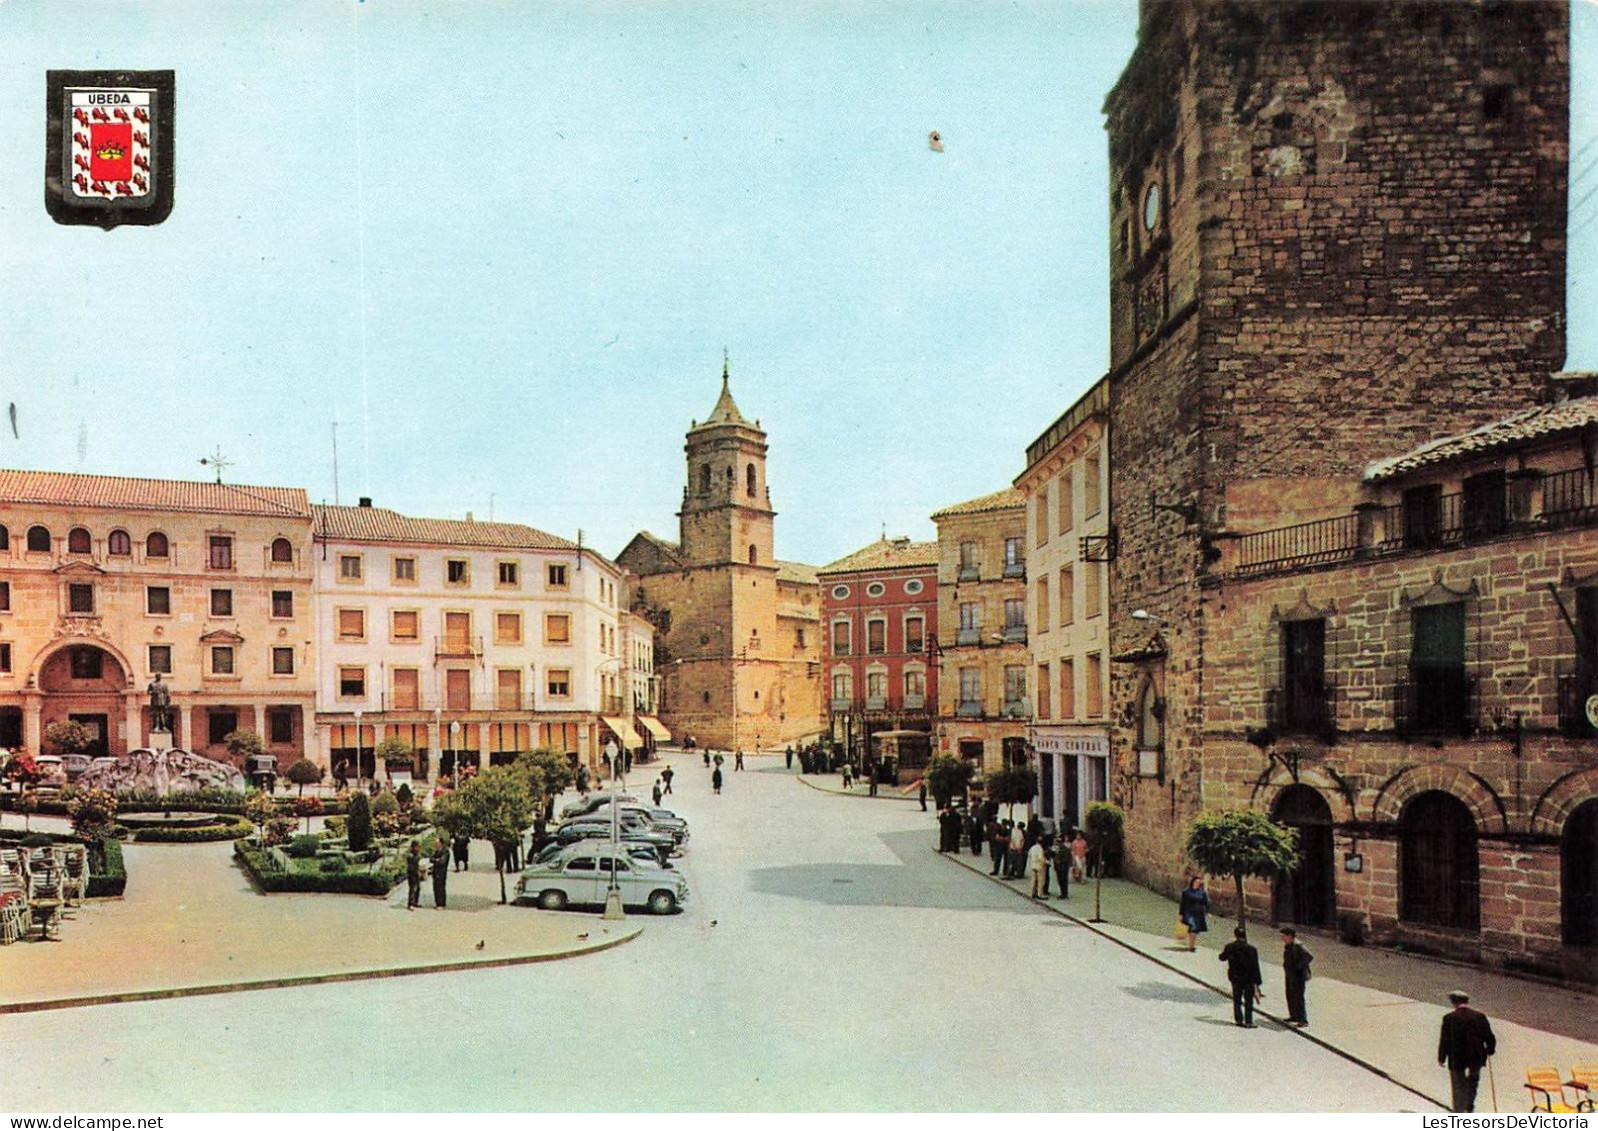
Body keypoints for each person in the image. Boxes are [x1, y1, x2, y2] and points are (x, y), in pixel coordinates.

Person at [1438, 991, 1496, 1113]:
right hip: (1476, 1056)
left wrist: (1442, 1057)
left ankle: (1458, 1111)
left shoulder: (1449, 1018)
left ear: (1453, 1002)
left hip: (1457, 1057)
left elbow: (1445, 1040)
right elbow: (1489, 1036)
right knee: (1473, 1081)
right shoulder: (1480, 1016)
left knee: (1458, 1084)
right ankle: (1469, 1105)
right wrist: (1490, 1049)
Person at [1218, 928, 1263, 1027]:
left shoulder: (1230, 947)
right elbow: (1255, 966)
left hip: (1235, 977)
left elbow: (1222, 958)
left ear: (1235, 935)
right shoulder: (1252, 949)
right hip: (1248, 978)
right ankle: (1248, 1021)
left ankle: (1238, 1019)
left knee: (1237, 999)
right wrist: (1257, 982)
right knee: (1248, 1000)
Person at [1280, 927, 1313, 1026]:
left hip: (1297, 976)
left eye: (1283, 936)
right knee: (1290, 995)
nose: (1282, 938)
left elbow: (1309, 956)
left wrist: (1298, 967)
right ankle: (1294, 1015)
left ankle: (1303, 1020)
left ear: (1290, 936)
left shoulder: (1298, 945)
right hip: (1290, 974)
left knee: (1298, 997)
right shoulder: (1289, 945)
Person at [1178, 876, 1211, 952]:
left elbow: (1206, 903)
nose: (1197, 884)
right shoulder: (1186, 892)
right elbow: (1182, 904)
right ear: (1193, 882)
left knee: (1195, 931)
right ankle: (1191, 947)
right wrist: (1181, 914)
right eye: (1196, 882)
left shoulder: (1202, 893)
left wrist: (1208, 912)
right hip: (1189, 913)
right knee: (1193, 928)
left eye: (1199, 882)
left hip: (1199, 914)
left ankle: (1191, 944)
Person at [430, 839, 449, 909]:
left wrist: (436, 860)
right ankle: (437, 903)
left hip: (441, 872)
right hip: (435, 872)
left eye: (436, 843)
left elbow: (442, 862)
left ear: (441, 843)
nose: (435, 845)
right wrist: (436, 860)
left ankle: (441, 904)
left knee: (441, 888)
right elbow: (431, 859)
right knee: (435, 888)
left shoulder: (445, 851)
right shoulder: (436, 851)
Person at [1053, 835, 1072, 900]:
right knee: (1060, 881)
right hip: (1059, 868)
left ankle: (1064, 894)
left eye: (1058, 842)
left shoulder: (1065, 850)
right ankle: (1063, 893)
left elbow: (1067, 859)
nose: (1057, 844)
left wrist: (1060, 861)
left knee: (1063, 881)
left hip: (1063, 868)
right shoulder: (1057, 850)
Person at [405, 841, 422, 911]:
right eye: (417, 847)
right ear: (414, 847)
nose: (419, 848)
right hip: (412, 874)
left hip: (416, 873)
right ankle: (410, 904)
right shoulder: (410, 855)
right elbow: (412, 864)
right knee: (412, 889)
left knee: (418, 888)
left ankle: (415, 902)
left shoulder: (416, 854)